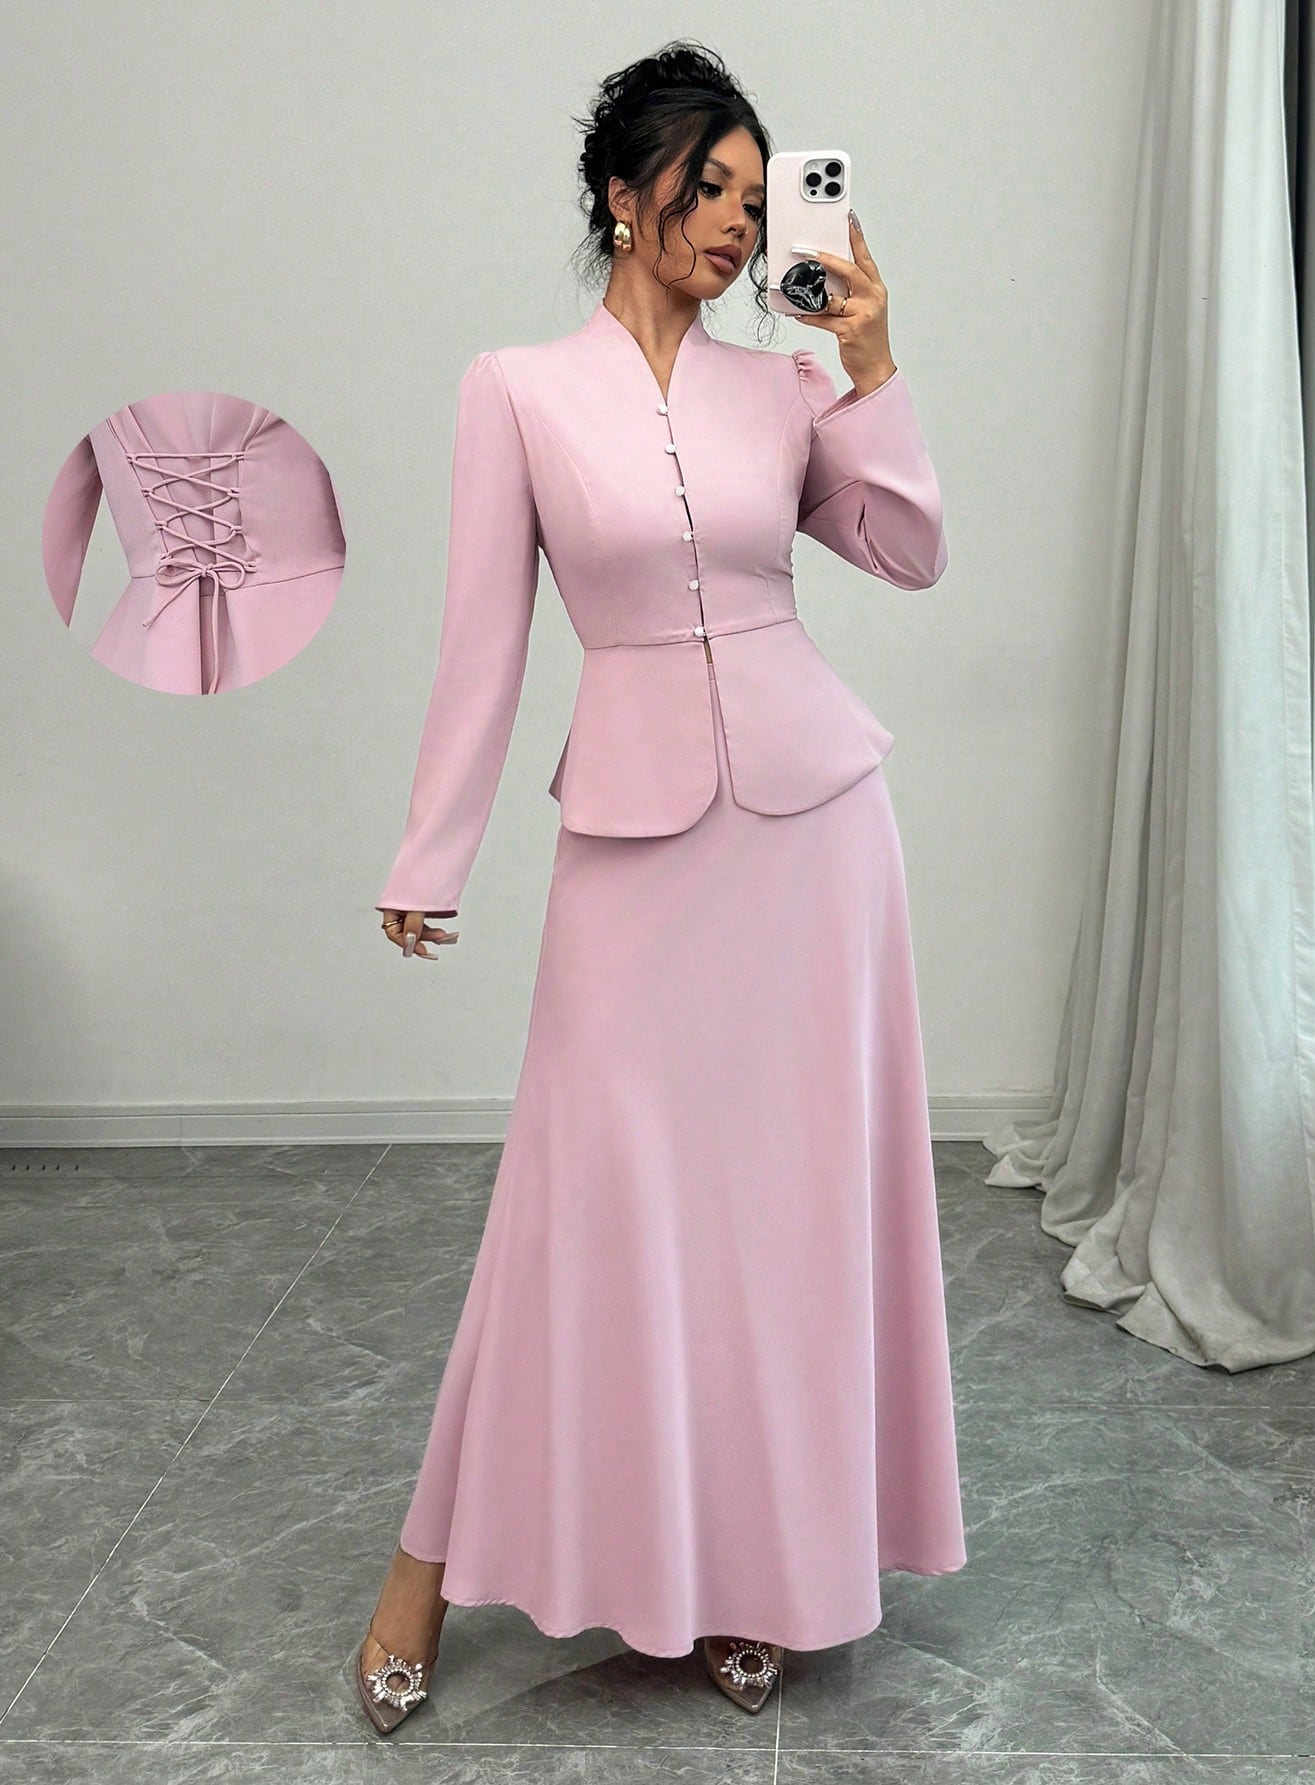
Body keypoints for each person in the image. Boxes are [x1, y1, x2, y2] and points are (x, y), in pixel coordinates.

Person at [354, 39, 967, 1733]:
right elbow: (483, 635)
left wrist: (870, 359)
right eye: (710, 189)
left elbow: (911, 550)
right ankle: (420, 1572)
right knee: (573, 1208)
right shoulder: (517, 390)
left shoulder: (786, 387)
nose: (737, 223)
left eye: (757, 199)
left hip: (814, 838)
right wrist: (431, 847)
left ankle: (760, 1573)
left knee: (781, 1218)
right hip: (633, 848)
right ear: (625, 195)